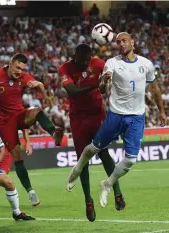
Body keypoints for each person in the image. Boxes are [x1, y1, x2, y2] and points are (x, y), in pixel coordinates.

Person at [66, 32, 166, 208]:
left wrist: (162, 111)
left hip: (136, 117)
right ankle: (77, 169)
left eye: (124, 40)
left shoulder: (146, 64)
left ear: (132, 42)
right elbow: (103, 89)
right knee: (93, 149)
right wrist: (104, 81)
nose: (121, 44)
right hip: (116, 114)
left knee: (131, 160)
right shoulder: (112, 63)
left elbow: (155, 88)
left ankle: (108, 184)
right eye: (118, 42)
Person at [0, 53, 64, 206]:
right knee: (18, 158)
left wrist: (40, 87)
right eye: (18, 67)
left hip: (19, 115)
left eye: (22, 68)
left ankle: (54, 133)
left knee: (36, 111)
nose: (19, 71)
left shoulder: (24, 77)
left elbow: (40, 89)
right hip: (4, 123)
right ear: (11, 63)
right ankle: (30, 191)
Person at [59, 44, 125, 221]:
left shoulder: (98, 63)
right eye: (83, 60)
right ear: (75, 57)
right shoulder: (64, 68)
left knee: (104, 153)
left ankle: (117, 192)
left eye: (88, 60)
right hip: (78, 119)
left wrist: (102, 84)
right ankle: (88, 200)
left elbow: (103, 88)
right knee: (83, 160)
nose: (86, 63)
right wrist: (94, 85)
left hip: (97, 115)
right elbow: (71, 91)